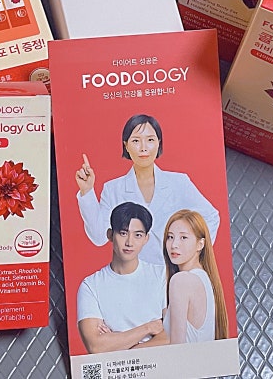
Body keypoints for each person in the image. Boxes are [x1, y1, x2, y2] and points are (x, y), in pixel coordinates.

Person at [76, 113, 220, 265]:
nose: (143, 148)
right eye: (136, 141)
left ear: (158, 143)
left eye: (150, 140)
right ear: (126, 145)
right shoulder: (113, 189)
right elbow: (98, 237)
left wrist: (191, 256)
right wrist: (87, 191)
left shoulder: (179, 182)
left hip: (171, 272)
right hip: (134, 273)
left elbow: (211, 217)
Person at [76, 202, 168, 354]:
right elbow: (96, 346)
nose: (129, 242)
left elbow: (173, 335)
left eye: (138, 235)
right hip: (115, 369)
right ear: (110, 235)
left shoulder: (161, 276)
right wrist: (148, 328)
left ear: (146, 239)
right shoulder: (91, 285)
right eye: (123, 233)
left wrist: (120, 346)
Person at [161, 209, 229, 343]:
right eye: (170, 237)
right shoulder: (204, 279)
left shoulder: (181, 280)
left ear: (200, 244)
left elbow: (177, 348)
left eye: (183, 237)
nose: (174, 245)